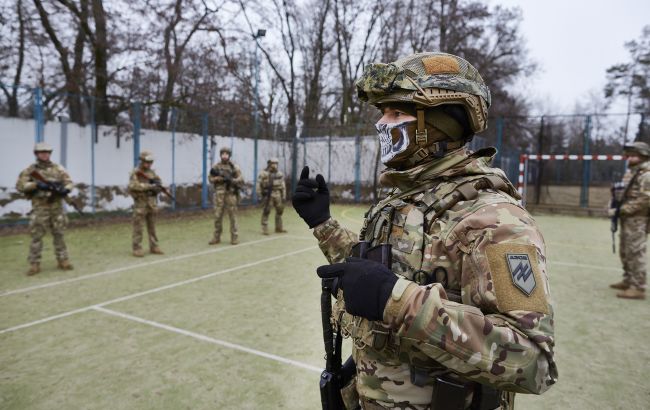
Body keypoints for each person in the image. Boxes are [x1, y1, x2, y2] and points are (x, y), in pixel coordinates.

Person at [292, 52, 557, 409]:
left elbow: (533, 360)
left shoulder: (494, 218)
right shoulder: (404, 200)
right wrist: (323, 224)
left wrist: (397, 302)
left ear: (438, 122)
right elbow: (373, 279)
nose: (382, 123)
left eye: (395, 113)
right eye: (382, 112)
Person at [16, 142, 75, 275]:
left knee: (59, 234)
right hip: (40, 208)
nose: (45, 154)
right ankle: (34, 264)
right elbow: (20, 186)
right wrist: (36, 185)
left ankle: (63, 260)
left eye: (47, 152)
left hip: (56, 207)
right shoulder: (30, 170)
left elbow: (69, 182)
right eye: (42, 152)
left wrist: (65, 189)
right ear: (36, 154)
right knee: (36, 236)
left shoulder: (58, 168)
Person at [609, 141, 650, 300]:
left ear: (643, 156)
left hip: (638, 219)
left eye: (633, 155)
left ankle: (638, 287)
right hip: (627, 219)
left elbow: (646, 199)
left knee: (635, 251)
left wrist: (622, 210)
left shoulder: (646, 174)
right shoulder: (633, 172)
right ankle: (628, 280)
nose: (629, 158)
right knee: (625, 250)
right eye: (628, 155)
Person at [128, 151, 164, 257]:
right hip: (141, 204)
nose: (149, 164)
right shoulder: (135, 172)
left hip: (151, 203)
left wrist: (158, 188)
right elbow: (133, 186)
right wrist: (149, 186)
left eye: (150, 162)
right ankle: (137, 248)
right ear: (142, 161)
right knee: (138, 227)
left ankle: (154, 246)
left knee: (152, 227)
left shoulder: (152, 173)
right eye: (147, 162)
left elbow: (158, 183)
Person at [208, 147, 244, 245]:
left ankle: (234, 238)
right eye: (223, 154)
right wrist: (217, 178)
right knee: (217, 216)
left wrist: (232, 180)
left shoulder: (234, 167)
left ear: (229, 155)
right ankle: (216, 237)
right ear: (220, 155)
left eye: (226, 154)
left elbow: (241, 178)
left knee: (233, 216)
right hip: (219, 195)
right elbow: (210, 178)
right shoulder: (216, 167)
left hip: (230, 194)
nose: (224, 156)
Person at [257, 157, 287, 235]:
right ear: (269, 164)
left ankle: (279, 228)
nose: (274, 165)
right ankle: (264, 229)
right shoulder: (263, 173)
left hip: (278, 194)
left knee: (279, 211)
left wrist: (284, 195)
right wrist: (259, 195)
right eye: (273, 163)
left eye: (276, 163)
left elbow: (283, 186)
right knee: (266, 211)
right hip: (268, 194)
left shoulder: (279, 174)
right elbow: (258, 185)